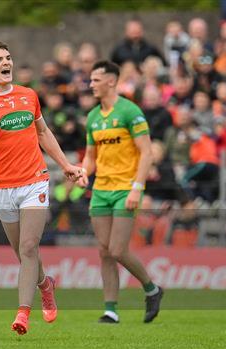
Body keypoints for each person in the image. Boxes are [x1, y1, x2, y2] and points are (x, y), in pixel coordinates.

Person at [0, 41, 82, 335]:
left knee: (29, 247)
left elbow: (43, 132)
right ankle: (45, 284)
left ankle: (22, 314)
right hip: (3, 188)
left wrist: (65, 165)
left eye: (9, 57)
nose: (6, 62)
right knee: (23, 254)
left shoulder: (29, 95)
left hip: (34, 181)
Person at [78, 60, 163, 324]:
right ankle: (111, 310)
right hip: (101, 189)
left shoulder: (130, 111)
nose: (90, 84)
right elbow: (91, 156)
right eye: (90, 80)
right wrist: (83, 171)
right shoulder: (93, 117)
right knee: (104, 251)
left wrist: (137, 188)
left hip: (126, 189)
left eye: (95, 80)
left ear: (111, 81)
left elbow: (147, 152)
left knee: (117, 249)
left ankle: (152, 289)